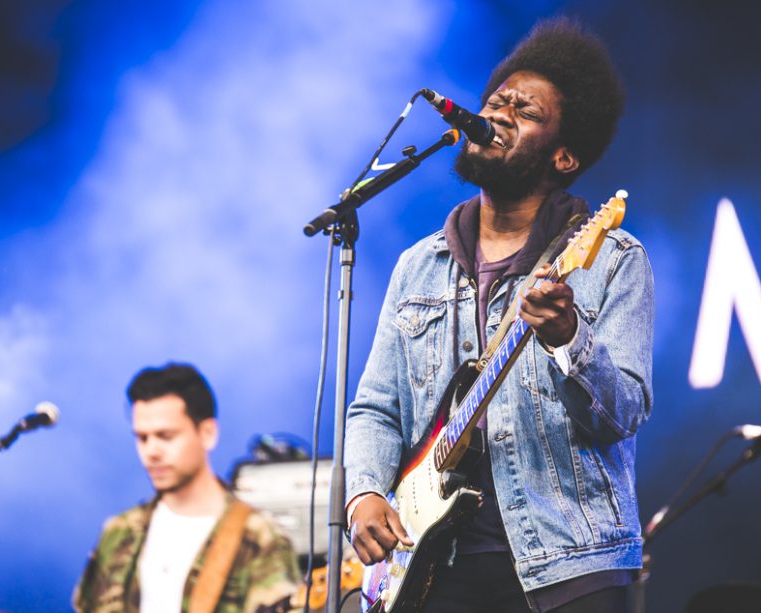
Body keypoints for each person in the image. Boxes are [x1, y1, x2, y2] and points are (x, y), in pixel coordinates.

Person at [344, 17, 653, 613]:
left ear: (564, 157)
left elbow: (625, 412)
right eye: (497, 101)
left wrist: (568, 338)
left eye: (527, 111)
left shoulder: (610, 259)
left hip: (567, 568)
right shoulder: (418, 266)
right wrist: (363, 495)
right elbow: (376, 408)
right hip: (434, 564)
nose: (501, 112)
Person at [74, 363, 299, 613]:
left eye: (165, 436)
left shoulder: (259, 537)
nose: (151, 451)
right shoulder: (117, 532)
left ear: (207, 433)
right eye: (142, 438)